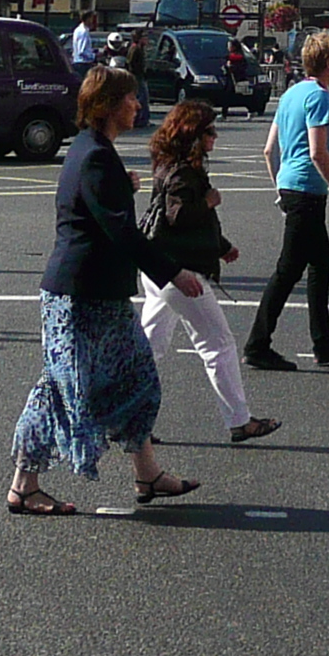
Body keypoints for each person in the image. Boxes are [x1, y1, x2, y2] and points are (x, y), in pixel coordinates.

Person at [8, 67, 206, 515]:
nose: (138, 105)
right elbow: (118, 229)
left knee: (137, 377)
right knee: (61, 391)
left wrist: (123, 185)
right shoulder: (95, 154)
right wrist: (172, 272)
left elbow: (99, 205)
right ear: (106, 106)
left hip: (103, 296)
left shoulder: (95, 151)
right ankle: (24, 485)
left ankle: (147, 474)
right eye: (130, 99)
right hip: (79, 298)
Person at [136, 97, 280, 444]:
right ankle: (240, 420)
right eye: (210, 131)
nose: (215, 137)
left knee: (150, 346)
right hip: (180, 274)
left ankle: (131, 420)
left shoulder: (171, 164)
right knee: (218, 344)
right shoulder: (185, 172)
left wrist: (221, 246)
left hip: (159, 267)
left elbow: (178, 223)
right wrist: (209, 201)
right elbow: (179, 216)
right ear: (194, 135)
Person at [244, 30, 329, 371]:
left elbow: (269, 149)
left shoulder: (292, 94)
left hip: (293, 189)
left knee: (321, 263)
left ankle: (323, 342)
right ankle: (257, 343)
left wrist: (279, 187)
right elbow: (318, 151)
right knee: (289, 269)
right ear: (328, 64)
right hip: (308, 191)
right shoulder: (319, 98)